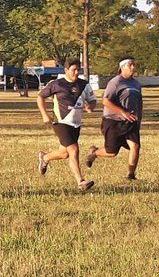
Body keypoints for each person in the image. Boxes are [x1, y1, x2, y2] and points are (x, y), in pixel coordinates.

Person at [36, 57, 96, 191]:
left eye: (78, 70)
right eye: (73, 70)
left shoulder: (84, 84)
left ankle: (45, 157)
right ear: (66, 70)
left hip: (76, 124)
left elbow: (92, 100)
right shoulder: (56, 84)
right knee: (73, 149)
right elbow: (40, 97)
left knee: (64, 153)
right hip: (60, 123)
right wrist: (45, 115)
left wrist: (90, 106)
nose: (76, 73)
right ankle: (81, 181)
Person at [86, 57, 142, 180]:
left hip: (130, 121)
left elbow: (139, 102)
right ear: (122, 67)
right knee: (111, 152)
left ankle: (131, 175)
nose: (133, 67)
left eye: (134, 64)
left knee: (135, 146)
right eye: (130, 65)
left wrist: (139, 119)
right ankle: (94, 152)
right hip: (113, 121)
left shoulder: (136, 84)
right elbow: (105, 101)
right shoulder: (115, 82)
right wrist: (123, 112)